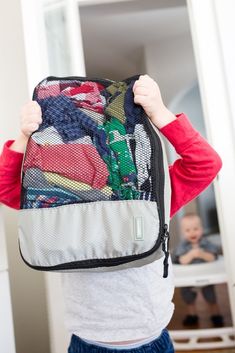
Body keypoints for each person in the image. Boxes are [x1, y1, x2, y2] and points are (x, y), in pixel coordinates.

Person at [0, 74, 222, 353]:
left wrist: (160, 113)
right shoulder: (57, 196)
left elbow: (205, 163)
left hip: (150, 339)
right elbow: (6, 188)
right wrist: (24, 137)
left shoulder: (152, 195)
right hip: (86, 342)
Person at [172, 213, 224, 327]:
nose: (192, 232)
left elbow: (212, 257)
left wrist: (201, 253)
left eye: (196, 229)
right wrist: (191, 254)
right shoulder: (182, 246)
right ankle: (192, 315)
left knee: (211, 297)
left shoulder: (206, 243)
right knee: (188, 298)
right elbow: (181, 261)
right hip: (188, 277)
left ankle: (216, 314)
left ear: (201, 229)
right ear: (183, 233)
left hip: (206, 275)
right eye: (188, 230)